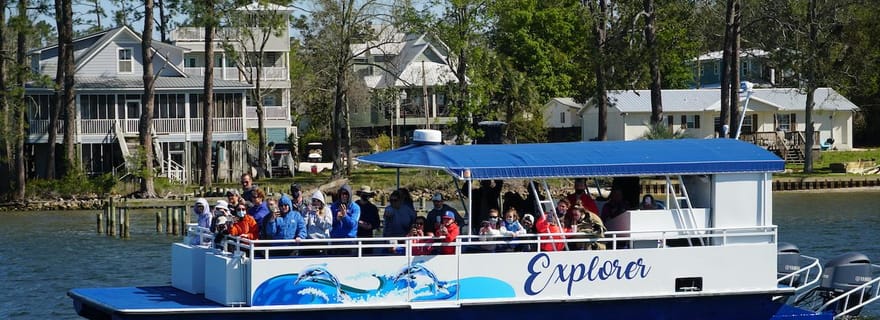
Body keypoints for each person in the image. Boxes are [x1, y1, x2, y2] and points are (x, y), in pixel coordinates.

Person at [303, 190, 333, 255]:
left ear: (321, 202)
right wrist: (306, 213)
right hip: (310, 242)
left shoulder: (327, 210)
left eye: (318, 201)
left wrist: (318, 217)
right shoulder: (308, 210)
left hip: (323, 241)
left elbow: (328, 226)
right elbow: (303, 225)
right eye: (314, 200)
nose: (316, 203)